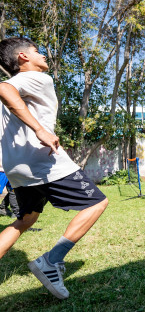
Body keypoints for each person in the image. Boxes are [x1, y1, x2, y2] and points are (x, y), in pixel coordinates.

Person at [0, 37, 109, 299]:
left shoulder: (21, 83)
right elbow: (3, 88)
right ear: (23, 57)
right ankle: (51, 261)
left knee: (25, 220)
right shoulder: (34, 78)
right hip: (42, 161)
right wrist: (39, 130)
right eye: (38, 52)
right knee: (96, 203)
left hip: (16, 167)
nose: (44, 56)